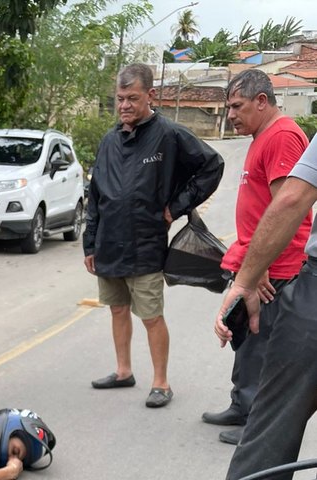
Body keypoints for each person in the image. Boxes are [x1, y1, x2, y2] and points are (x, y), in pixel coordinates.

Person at [83, 63, 224, 407]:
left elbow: (212, 165)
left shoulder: (169, 135)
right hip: (108, 244)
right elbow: (96, 194)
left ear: (151, 95)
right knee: (117, 309)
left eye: (132, 98)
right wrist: (90, 243)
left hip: (145, 243)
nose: (125, 106)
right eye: (120, 99)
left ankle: (161, 382)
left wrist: (176, 207)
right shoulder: (109, 140)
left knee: (150, 315)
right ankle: (122, 371)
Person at [201, 70, 311, 445]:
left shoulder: (281, 136)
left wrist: (260, 266)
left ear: (262, 101)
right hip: (255, 261)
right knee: (246, 340)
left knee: (264, 344)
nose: (230, 114)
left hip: (274, 268)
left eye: (237, 106)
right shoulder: (261, 135)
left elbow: (289, 208)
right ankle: (241, 404)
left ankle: (255, 423)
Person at [215, 135, 317, 479]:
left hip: (310, 297)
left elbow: (292, 200)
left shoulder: (284, 136)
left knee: (271, 432)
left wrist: (245, 281)